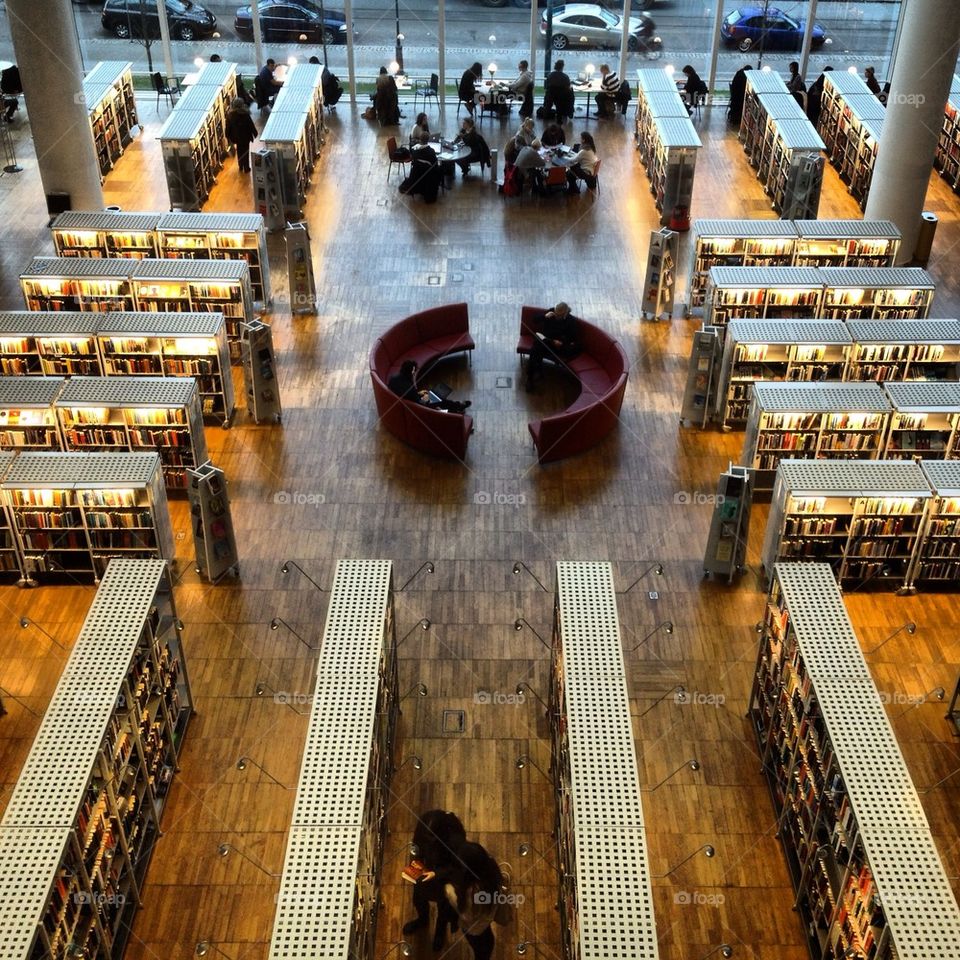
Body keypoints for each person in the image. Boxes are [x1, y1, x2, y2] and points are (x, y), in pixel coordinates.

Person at [403, 810, 467, 951]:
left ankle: (440, 932)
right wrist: (416, 864)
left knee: (444, 909)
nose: (428, 841)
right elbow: (417, 847)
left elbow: (457, 867)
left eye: (432, 838)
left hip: (446, 879)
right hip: (425, 872)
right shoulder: (423, 828)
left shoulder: (456, 839)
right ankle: (423, 920)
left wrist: (436, 873)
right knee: (418, 899)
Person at [443, 841, 505, 960]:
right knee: (486, 943)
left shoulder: (472, 892)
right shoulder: (492, 870)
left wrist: (449, 892)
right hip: (486, 920)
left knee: (481, 949)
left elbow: (467, 916)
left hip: (476, 929)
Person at [526, 302, 581, 391]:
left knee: (536, 349)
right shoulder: (551, 312)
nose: (556, 316)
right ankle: (530, 377)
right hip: (546, 341)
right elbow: (534, 320)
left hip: (556, 346)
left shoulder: (571, 321)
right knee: (536, 349)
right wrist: (545, 316)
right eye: (556, 313)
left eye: (559, 315)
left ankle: (536, 371)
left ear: (565, 313)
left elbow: (573, 338)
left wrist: (561, 342)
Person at [388, 360, 471, 410]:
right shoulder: (410, 389)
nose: (414, 373)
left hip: (412, 400)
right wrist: (425, 398)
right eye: (413, 371)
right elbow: (417, 402)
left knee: (436, 394)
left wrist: (419, 394)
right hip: (420, 405)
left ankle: (455, 406)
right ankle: (458, 406)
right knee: (439, 397)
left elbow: (408, 394)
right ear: (409, 372)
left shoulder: (393, 379)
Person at [400, 135, 442, 203]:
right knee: (440, 169)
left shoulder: (414, 150)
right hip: (429, 174)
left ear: (420, 140)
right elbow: (434, 163)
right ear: (427, 141)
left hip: (417, 173)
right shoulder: (431, 151)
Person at [225, 97, 258, 174]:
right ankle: (246, 167)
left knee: (239, 151)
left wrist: (228, 136)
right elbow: (251, 125)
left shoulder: (230, 116)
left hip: (236, 137)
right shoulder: (245, 114)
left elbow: (228, 127)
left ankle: (240, 165)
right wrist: (255, 133)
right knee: (246, 151)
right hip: (246, 136)